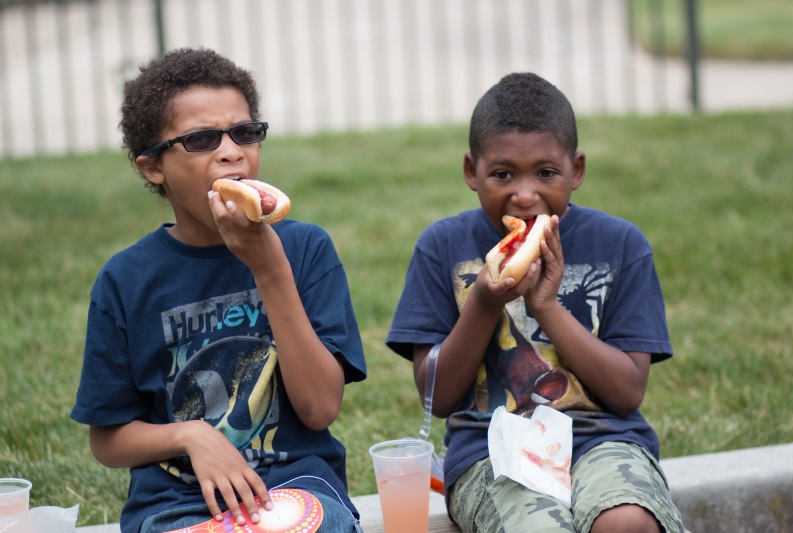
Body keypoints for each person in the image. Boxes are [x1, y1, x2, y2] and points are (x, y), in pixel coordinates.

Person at [70, 48, 367, 533]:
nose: (232, 151)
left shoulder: (305, 249)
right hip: (175, 504)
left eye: (245, 132)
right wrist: (189, 436)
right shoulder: (125, 280)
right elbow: (108, 441)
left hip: (295, 489)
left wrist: (270, 270)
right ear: (153, 168)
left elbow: (319, 408)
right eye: (202, 139)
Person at [386, 72, 684, 532]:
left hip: (603, 441)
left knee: (627, 523)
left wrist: (546, 306)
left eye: (546, 173)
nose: (525, 196)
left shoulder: (620, 244)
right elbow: (439, 397)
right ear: (471, 172)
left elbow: (627, 393)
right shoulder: (442, 246)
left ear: (576, 170)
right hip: (490, 456)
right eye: (502, 174)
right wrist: (484, 301)